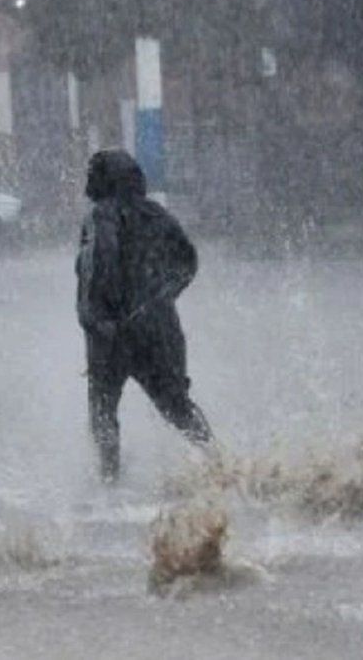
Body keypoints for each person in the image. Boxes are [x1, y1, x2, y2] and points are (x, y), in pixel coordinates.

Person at [75, 149, 214, 483]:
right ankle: (220, 467)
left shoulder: (100, 216)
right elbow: (188, 261)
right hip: (158, 331)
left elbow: (102, 261)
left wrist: (96, 316)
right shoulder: (157, 214)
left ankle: (110, 482)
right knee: (178, 407)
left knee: (103, 412)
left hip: (111, 332)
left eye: (92, 174)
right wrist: (159, 299)